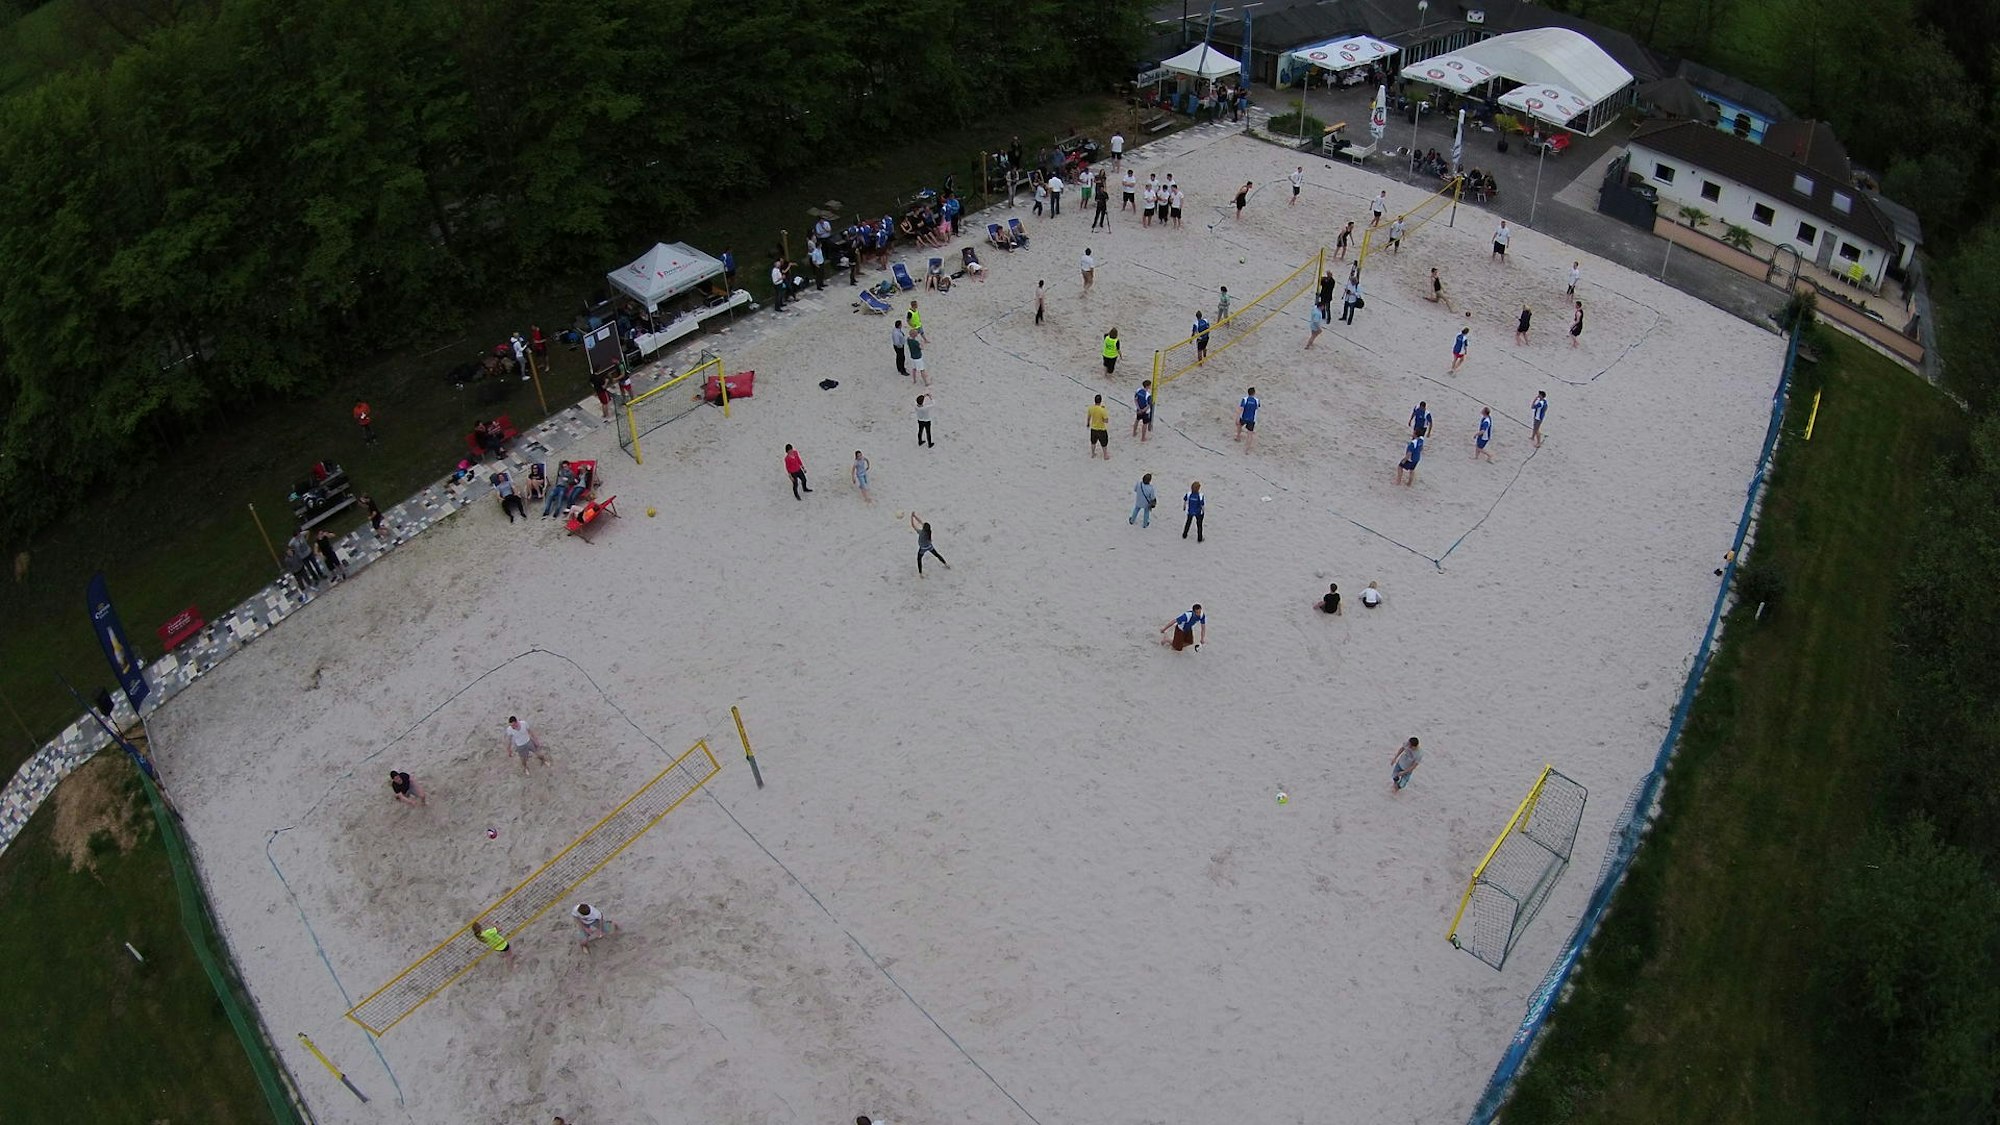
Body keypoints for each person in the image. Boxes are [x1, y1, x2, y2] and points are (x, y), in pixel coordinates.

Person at [1235, 387, 1259, 452]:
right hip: (1252, 419)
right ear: (1254, 393)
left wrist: (1237, 417)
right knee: (1250, 434)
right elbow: (1257, 407)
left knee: (1239, 425)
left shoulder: (1245, 399)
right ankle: (1247, 449)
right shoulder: (1257, 400)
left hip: (1244, 417)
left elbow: (1241, 409)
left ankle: (1238, 437)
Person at [1087, 394, 1111, 459]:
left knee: (1093, 442)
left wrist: (1088, 423)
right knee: (1104, 443)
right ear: (1100, 401)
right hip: (1101, 429)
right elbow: (1106, 421)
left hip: (1093, 428)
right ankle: (1105, 455)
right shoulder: (1102, 410)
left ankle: (1093, 454)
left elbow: (1089, 417)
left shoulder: (1091, 408)